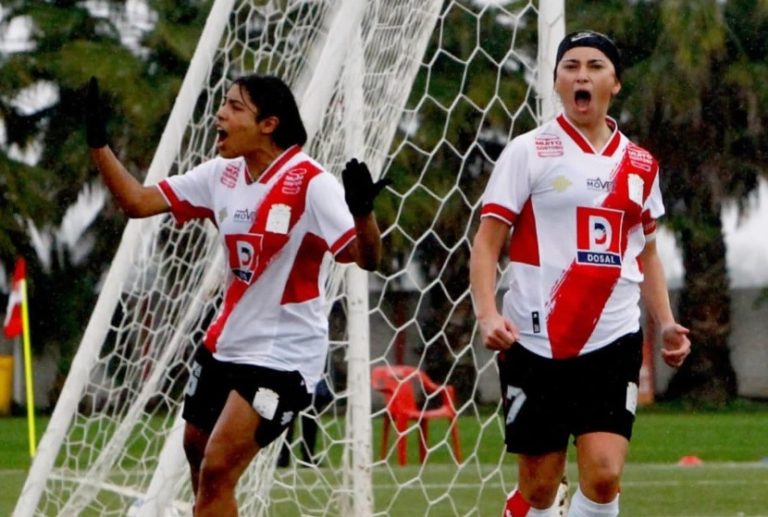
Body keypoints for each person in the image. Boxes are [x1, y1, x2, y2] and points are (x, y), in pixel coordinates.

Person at [84, 74, 388, 516]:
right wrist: (98, 142)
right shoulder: (221, 175)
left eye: (233, 106)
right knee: (197, 454)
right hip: (225, 346)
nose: (219, 115)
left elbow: (367, 257)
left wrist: (363, 214)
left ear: (268, 123)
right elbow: (137, 202)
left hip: (282, 357)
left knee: (217, 469)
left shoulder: (311, 183)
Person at [469, 31, 691, 517]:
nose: (581, 75)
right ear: (556, 82)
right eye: (570, 66)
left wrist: (667, 322)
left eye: (594, 66)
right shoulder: (529, 152)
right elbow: (487, 242)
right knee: (540, 490)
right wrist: (487, 314)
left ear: (615, 82)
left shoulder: (640, 164)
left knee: (605, 475)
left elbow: (646, 252)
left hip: (612, 338)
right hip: (534, 339)